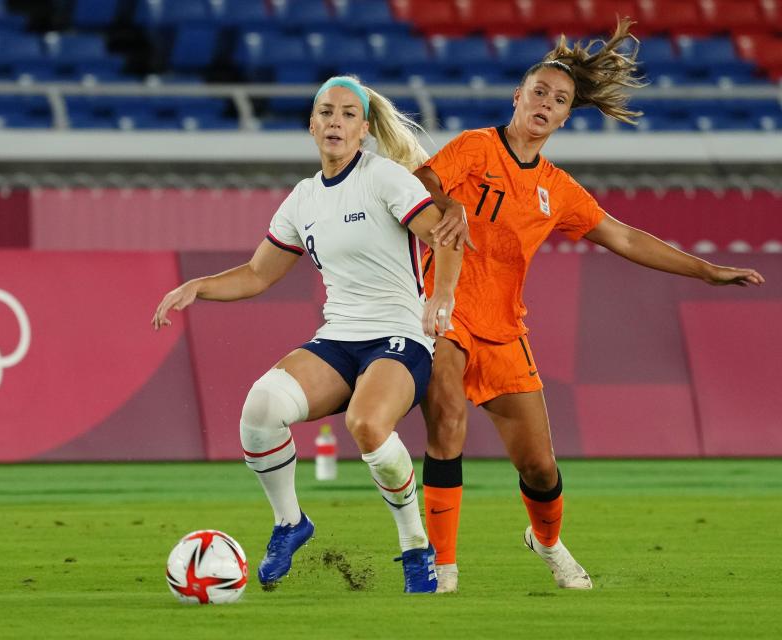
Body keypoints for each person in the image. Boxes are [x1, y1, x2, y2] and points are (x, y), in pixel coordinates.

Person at [412, 18, 767, 592]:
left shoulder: (557, 187)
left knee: (540, 469)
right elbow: (422, 178)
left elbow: (623, 237)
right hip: (443, 311)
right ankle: (442, 569)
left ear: (565, 115)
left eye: (560, 99)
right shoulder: (476, 147)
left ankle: (546, 542)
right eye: (539, 92)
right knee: (447, 423)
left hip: (505, 330)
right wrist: (447, 200)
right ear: (517, 96)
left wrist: (705, 270)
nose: (546, 103)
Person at [152, 76, 464, 593]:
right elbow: (258, 273)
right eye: (326, 112)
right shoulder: (303, 198)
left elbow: (446, 235)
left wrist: (442, 296)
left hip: (400, 336)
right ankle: (290, 522)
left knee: (366, 425)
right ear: (312, 125)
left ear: (363, 129)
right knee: (260, 410)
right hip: (340, 337)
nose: (335, 122)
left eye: (347, 114)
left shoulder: (384, 177)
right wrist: (199, 286)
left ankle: (415, 547)